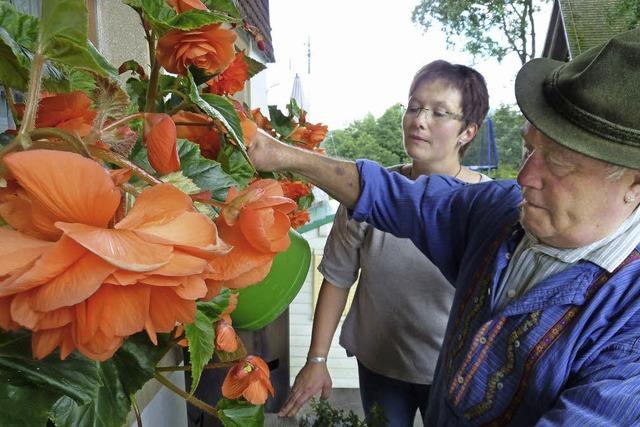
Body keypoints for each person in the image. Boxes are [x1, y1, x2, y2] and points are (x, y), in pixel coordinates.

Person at [249, 28, 640, 425]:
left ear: (635, 184)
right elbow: (399, 198)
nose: (524, 177)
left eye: (557, 161)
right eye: (528, 148)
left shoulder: (630, 320)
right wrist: (279, 153)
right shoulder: (499, 211)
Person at [278, 60, 490, 424]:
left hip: (453, 373)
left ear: (467, 132)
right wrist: (317, 360)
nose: (419, 120)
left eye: (439, 113)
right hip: (379, 366)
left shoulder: (487, 206)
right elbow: (338, 277)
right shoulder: (366, 194)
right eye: (414, 106)